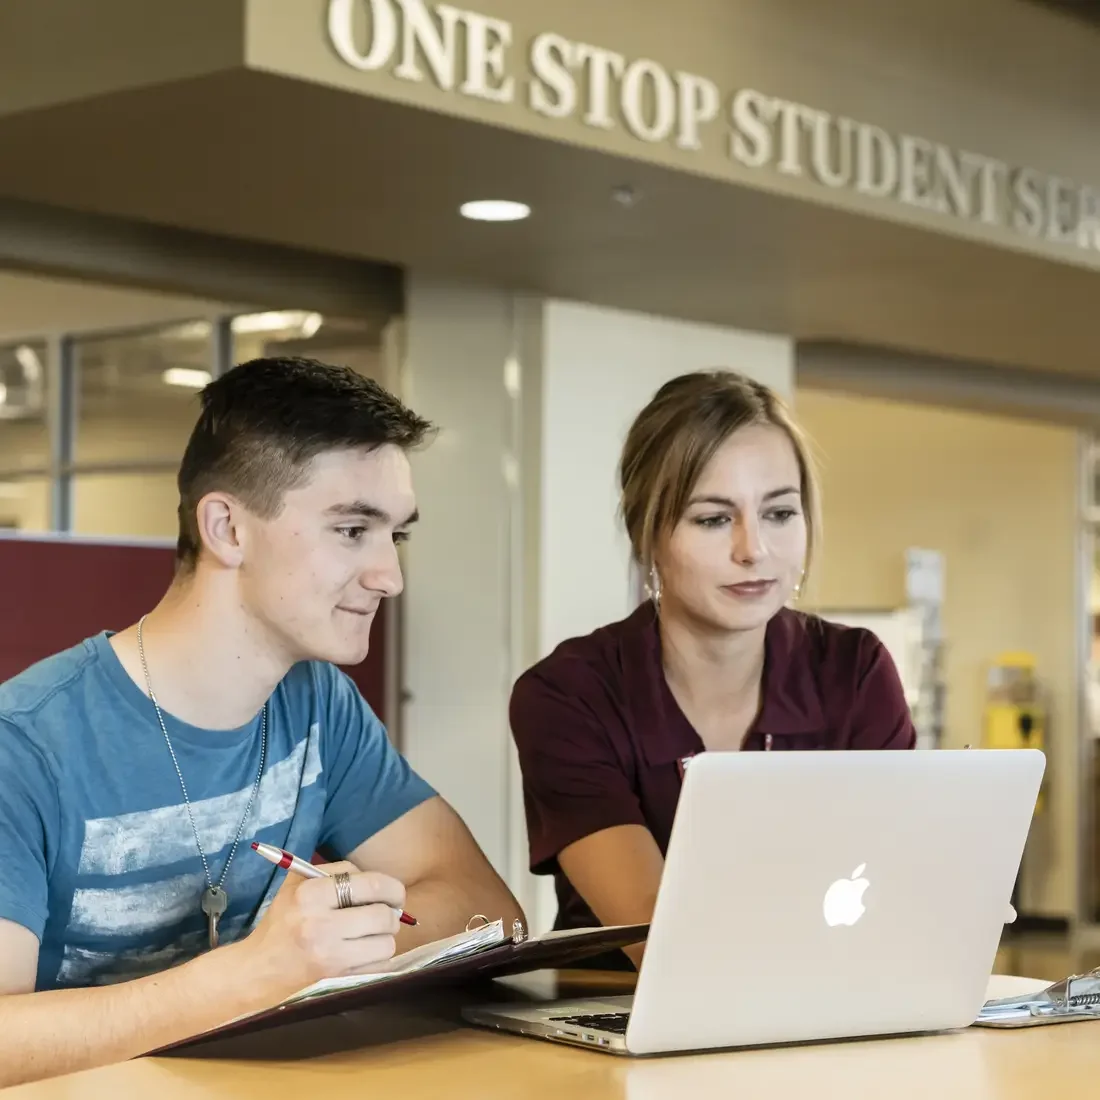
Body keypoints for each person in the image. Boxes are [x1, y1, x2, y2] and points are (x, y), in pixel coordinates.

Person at [0, 356, 524, 1087]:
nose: (390, 576)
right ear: (227, 528)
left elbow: (488, 914)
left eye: (395, 536)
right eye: (351, 530)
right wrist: (259, 972)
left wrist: (333, 941)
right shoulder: (24, 744)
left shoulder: (317, 705)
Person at [510, 370, 914, 968]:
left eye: (779, 513)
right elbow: (662, 938)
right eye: (713, 519)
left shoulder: (854, 670)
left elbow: (899, 888)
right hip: (621, 1030)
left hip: (833, 1016)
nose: (754, 550)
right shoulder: (568, 695)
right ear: (648, 532)